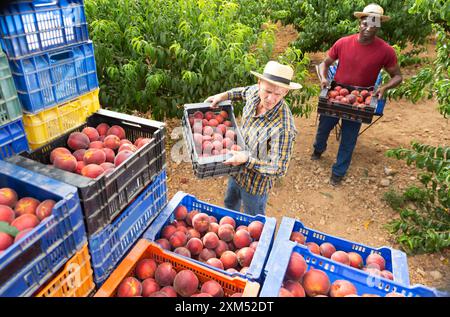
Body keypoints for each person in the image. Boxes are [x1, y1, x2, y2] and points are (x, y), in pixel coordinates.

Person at [311, 3, 403, 186]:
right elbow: (325, 64)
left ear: (378, 26)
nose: (369, 27)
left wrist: (383, 88)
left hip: (362, 95)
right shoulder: (343, 42)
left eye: (374, 24)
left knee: (349, 136)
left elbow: (398, 76)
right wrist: (323, 78)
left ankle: (338, 173)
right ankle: (318, 150)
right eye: (365, 23)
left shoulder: (386, 51)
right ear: (359, 22)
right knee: (324, 127)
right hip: (337, 91)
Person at [204, 61, 301, 216]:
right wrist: (224, 95)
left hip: (254, 185)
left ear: (285, 93)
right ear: (259, 83)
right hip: (235, 171)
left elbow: (279, 168)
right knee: (230, 204)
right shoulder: (255, 93)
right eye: (267, 91)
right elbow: (242, 92)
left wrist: (247, 160)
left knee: (252, 219)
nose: (270, 98)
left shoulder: (284, 128)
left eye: (278, 94)